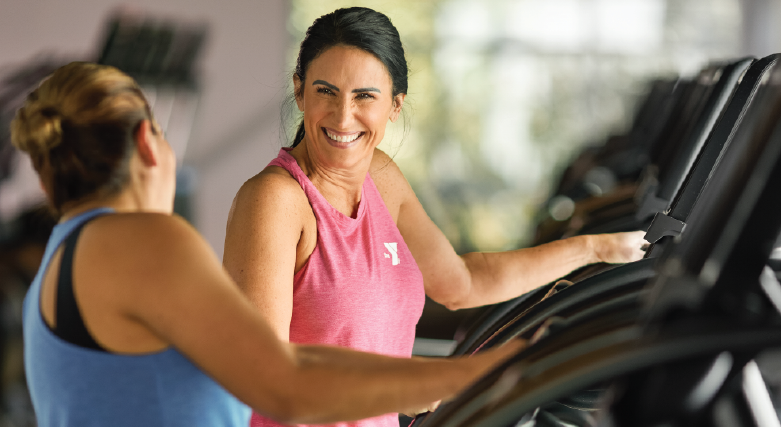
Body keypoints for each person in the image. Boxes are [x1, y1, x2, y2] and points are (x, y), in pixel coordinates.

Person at [12, 62, 523, 427]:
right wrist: (471, 376)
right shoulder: (143, 239)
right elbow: (284, 384)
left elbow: (291, 358)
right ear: (150, 142)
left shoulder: (72, 248)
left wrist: (439, 377)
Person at [224, 6, 646, 427]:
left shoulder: (381, 177)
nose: (343, 115)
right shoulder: (275, 200)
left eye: (364, 96)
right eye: (325, 91)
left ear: (395, 103)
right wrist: (430, 382)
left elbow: (463, 282)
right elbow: (268, 380)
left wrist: (598, 247)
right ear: (300, 92)